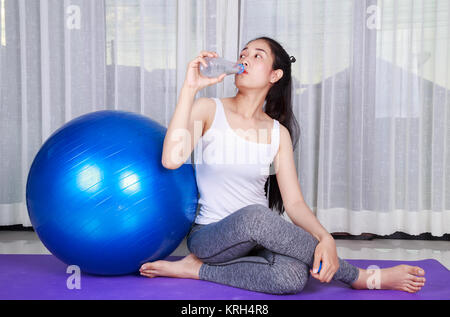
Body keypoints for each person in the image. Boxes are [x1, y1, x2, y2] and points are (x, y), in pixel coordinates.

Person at [140, 37, 426, 295]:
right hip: (211, 236)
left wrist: (325, 237)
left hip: (257, 237)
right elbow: (171, 159)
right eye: (243, 54)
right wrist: (190, 88)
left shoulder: (279, 133)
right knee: (255, 216)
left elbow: (294, 203)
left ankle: (196, 270)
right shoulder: (208, 109)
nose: (244, 60)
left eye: (257, 56)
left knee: (291, 277)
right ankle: (360, 276)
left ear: (275, 75)